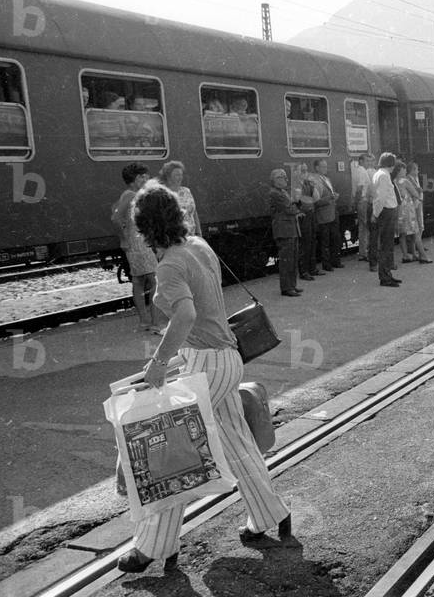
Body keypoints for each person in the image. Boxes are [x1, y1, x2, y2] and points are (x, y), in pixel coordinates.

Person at [118, 182, 290, 573]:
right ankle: (270, 514)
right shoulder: (197, 245)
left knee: (172, 451)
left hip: (206, 364)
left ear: (145, 229)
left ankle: (154, 546)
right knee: (234, 441)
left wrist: (159, 363)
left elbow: (186, 316)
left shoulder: (169, 265)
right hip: (227, 357)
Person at [111, 163, 160, 334]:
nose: (146, 179)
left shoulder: (130, 194)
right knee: (155, 281)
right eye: (141, 177)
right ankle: (155, 323)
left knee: (139, 282)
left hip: (135, 242)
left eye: (146, 176)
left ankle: (144, 322)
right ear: (132, 180)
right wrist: (123, 238)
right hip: (140, 243)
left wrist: (125, 238)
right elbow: (115, 218)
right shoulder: (131, 195)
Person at [268, 169, 302, 297]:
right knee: (287, 260)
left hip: (290, 229)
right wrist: (297, 204)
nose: (286, 180)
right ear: (275, 180)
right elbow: (289, 209)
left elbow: (291, 207)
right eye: (283, 178)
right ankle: (287, 288)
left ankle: (292, 285)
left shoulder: (282, 192)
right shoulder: (275, 194)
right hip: (284, 230)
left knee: (292, 259)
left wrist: (295, 205)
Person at [372, 153, 401, 287]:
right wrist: (376, 214)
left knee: (387, 245)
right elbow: (381, 198)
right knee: (386, 246)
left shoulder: (380, 173)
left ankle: (387, 274)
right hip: (387, 212)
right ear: (391, 163)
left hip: (387, 212)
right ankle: (385, 277)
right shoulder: (384, 175)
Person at [310, 159, 343, 271]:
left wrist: (334, 197)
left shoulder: (327, 179)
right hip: (323, 215)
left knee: (335, 239)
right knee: (325, 241)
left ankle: (335, 261)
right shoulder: (314, 180)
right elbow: (316, 201)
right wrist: (330, 198)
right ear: (317, 168)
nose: (325, 168)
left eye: (326, 166)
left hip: (332, 213)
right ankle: (326, 264)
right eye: (323, 166)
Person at [158, 161, 201, 237]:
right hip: (174, 238)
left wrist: (199, 233)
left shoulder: (186, 191)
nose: (181, 177)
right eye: (177, 175)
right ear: (168, 176)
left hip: (191, 236)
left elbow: (194, 213)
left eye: (181, 174)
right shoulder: (163, 193)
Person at [406, 161, 432, 263]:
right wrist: (419, 190)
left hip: (418, 204)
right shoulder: (409, 179)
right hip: (415, 206)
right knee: (417, 228)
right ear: (412, 170)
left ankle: (414, 252)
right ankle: (417, 253)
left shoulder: (414, 178)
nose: (418, 171)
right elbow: (415, 192)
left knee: (418, 227)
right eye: (416, 169)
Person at [352, 154, 372, 262]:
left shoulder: (356, 170)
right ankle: (365, 253)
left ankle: (362, 252)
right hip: (363, 201)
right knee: (365, 227)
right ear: (361, 161)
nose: (368, 163)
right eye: (366, 161)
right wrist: (358, 201)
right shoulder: (362, 171)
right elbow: (359, 189)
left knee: (362, 227)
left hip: (361, 201)